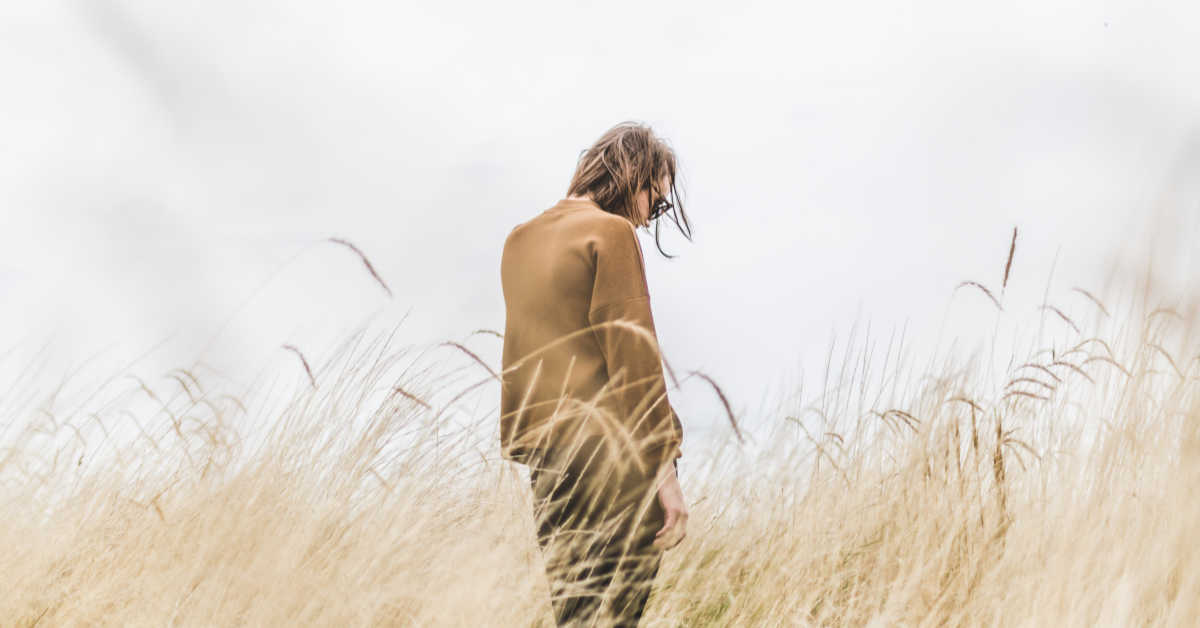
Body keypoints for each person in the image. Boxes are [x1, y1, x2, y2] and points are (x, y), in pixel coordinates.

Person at [499, 121, 694, 627]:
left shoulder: (519, 240)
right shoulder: (612, 232)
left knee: (575, 616)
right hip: (613, 458)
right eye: (658, 199)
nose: (653, 215)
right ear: (635, 178)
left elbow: (524, 359)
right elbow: (634, 360)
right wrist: (665, 470)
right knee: (617, 618)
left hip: (549, 463)